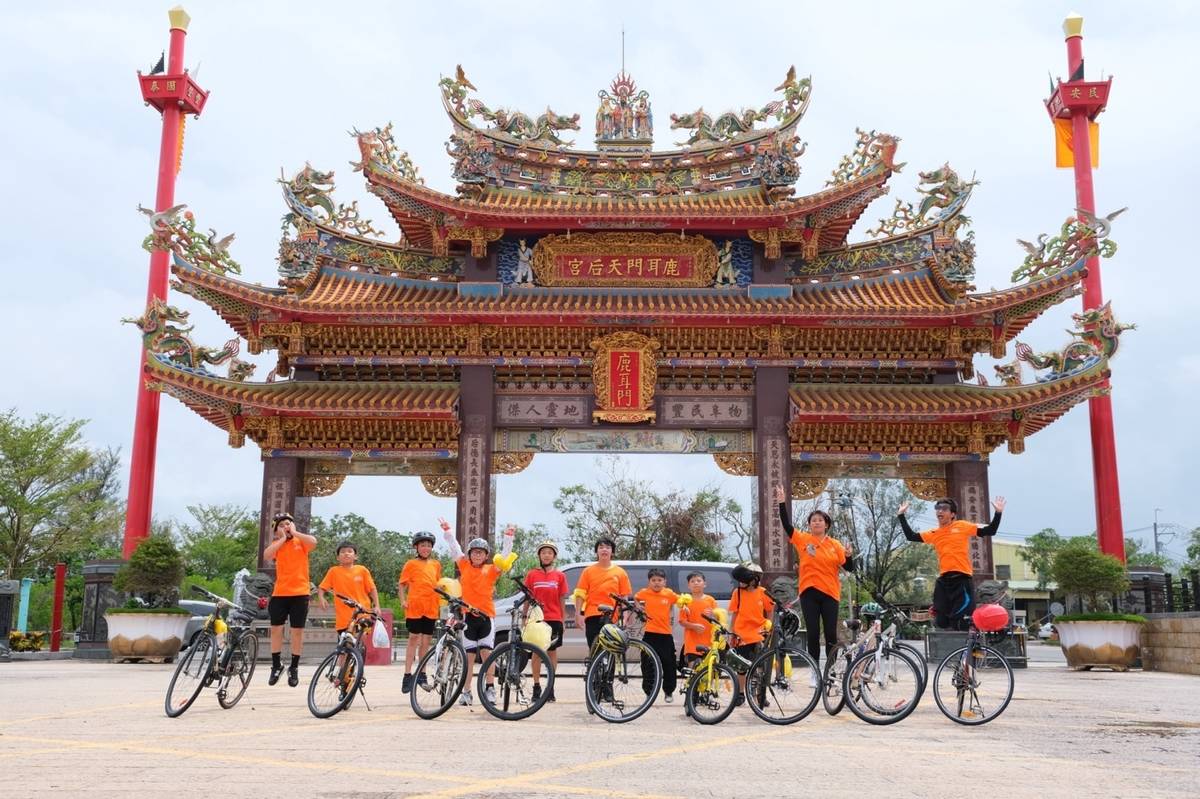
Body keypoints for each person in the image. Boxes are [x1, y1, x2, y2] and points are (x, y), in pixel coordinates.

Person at [775, 484, 855, 679]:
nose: (817, 523)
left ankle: (831, 670)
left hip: (830, 593)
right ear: (809, 524)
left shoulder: (835, 544)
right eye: (813, 520)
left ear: (826, 524)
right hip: (809, 592)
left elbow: (849, 568)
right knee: (812, 632)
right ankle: (814, 671)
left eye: (820, 520)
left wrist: (849, 556)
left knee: (830, 634)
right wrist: (782, 503)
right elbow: (786, 525)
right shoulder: (803, 539)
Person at [897, 495, 1006, 630]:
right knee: (941, 621)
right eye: (937, 509)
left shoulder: (962, 526)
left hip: (962, 579)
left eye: (944, 509)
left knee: (961, 619)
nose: (939, 511)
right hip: (944, 581)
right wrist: (901, 515)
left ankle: (972, 646)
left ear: (953, 514)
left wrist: (998, 513)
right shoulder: (934, 532)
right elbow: (911, 536)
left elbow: (990, 530)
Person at [439, 518, 516, 706]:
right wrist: (448, 531)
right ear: (470, 554)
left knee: (487, 654)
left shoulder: (491, 570)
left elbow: (505, 557)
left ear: (486, 555)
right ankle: (466, 692)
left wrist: (508, 537)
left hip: (486, 617)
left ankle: (490, 688)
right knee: (469, 657)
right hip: (468, 618)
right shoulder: (464, 565)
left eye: (481, 552)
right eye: (474, 552)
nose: (477, 555)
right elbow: (455, 549)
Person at [262, 512, 317, 687]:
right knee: (276, 629)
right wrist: (281, 538)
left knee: (297, 631)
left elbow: (313, 542)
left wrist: (295, 532)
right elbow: (267, 555)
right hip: (280, 593)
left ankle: (294, 667)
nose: (286, 526)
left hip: (300, 593)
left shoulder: (301, 542)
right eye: (281, 525)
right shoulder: (276, 545)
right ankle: (276, 665)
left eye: (288, 523)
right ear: (276, 530)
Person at [633, 568, 689, 704]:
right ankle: (649, 692)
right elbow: (636, 597)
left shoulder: (669, 593)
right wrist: (638, 606)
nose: (656, 583)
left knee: (669, 664)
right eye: (653, 580)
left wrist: (685, 606)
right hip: (650, 635)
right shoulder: (644, 593)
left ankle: (668, 691)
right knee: (647, 664)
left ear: (665, 581)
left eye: (659, 580)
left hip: (665, 635)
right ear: (649, 582)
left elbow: (681, 600)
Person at [398, 531, 442, 694]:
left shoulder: (436, 564)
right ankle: (407, 674)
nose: (426, 548)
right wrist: (403, 601)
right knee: (413, 639)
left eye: (429, 545)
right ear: (416, 547)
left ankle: (422, 674)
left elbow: (437, 584)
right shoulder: (410, 564)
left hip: (431, 607)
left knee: (426, 641)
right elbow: (402, 585)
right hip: (415, 606)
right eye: (423, 545)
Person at [524, 541, 568, 702]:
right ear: (539, 555)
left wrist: (562, 619)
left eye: (550, 552)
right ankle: (536, 687)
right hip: (536, 620)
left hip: (554, 618)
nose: (546, 555)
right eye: (544, 552)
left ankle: (550, 687)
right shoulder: (532, 574)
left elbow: (562, 598)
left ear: (554, 556)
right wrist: (524, 617)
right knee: (536, 652)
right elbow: (527, 598)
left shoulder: (560, 576)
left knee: (551, 653)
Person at [572, 537, 632, 652]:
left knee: (611, 651)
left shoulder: (620, 572)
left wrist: (624, 616)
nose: (604, 550)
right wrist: (578, 614)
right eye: (601, 547)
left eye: (608, 547)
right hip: (592, 615)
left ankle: (609, 670)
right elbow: (580, 594)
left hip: (612, 616)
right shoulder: (588, 571)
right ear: (596, 551)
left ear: (612, 552)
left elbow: (624, 596)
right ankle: (593, 670)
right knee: (594, 649)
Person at [728, 561, 774, 702]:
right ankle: (740, 693)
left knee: (760, 667)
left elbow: (770, 610)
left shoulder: (762, 592)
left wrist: (769, 627)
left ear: (754, 579)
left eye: (744, 579)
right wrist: (731, 632)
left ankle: (759, 695)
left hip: (759, 634)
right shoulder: (738, 593)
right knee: (741, 666)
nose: (740, 583)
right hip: (742, 634)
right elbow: (734, 613)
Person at [317, 541, 382, 633]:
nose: (346, 553)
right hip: (343, 618)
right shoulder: (333, 571)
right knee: (345, 644)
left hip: (362, 614)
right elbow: (322, 587)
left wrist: (377, 605)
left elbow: (372, 589)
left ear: (355, 556)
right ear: (338, 557)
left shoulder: (362, 570)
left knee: (359, 643)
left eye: (349, 551)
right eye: (342, 552)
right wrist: (321, 598)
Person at [677, 571, 718, 671]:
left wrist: (713, 615)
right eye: (692, 581)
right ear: (688, 585)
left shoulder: (710, 600)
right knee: (693, 672)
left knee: (709, 672)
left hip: (709, 642)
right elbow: (682, 621)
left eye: (699, 580)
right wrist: (694, 626)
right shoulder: (686, 601)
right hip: (692, 644)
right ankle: (692, 687)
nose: (696, 583)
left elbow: (717, 620)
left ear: (704, 584)